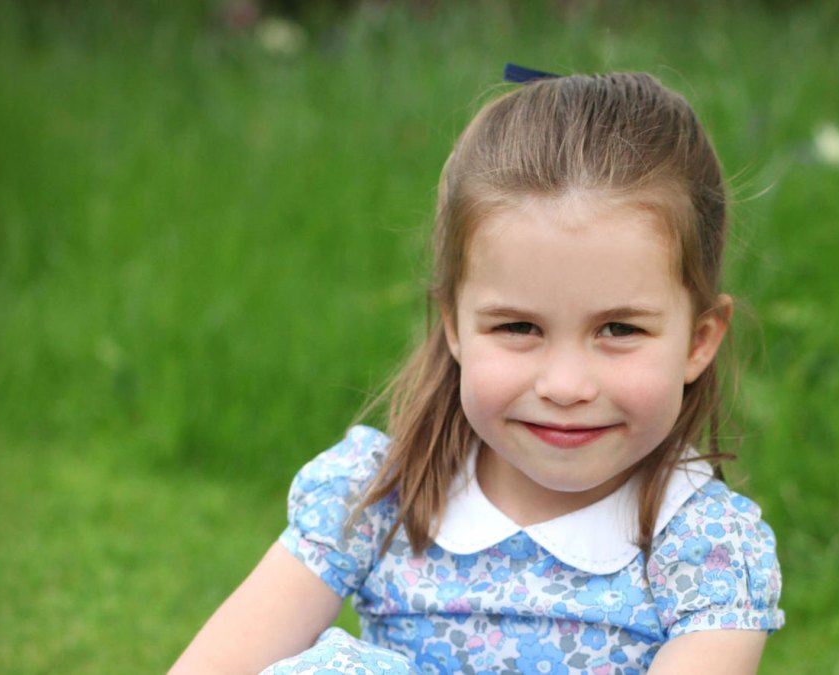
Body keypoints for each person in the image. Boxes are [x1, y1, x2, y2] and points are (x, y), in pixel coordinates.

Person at [171, 68, 784, 675]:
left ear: (699, 341)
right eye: (519, 328)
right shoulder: (381, 494)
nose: (565, 387)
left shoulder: (703, 547)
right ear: (455, 327)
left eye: (619, 330)